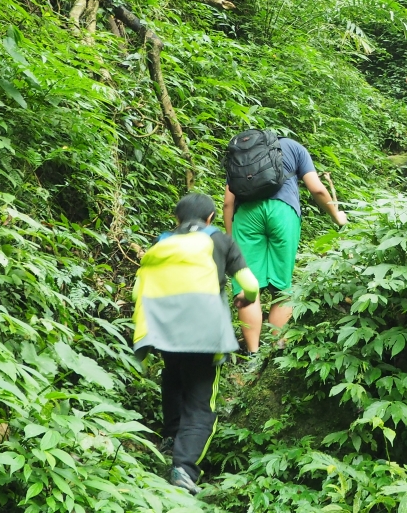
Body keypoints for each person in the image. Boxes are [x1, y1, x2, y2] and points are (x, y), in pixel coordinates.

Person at [132, 193, 260, 495]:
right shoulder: (219, 240)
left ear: (176, 219)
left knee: (173, 378)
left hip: (164, 329)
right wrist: (247, 298)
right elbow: (251, 285)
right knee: (201, 403)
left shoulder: (162, 242)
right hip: (203, 332)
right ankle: (184, 467)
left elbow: (139, 288)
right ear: (211, 218)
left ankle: (170, 437)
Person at [223, 134, 347, 355]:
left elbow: (227, 202)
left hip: (246, 216)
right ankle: (274, 352)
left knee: (248, 286)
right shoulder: (294, 147)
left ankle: (252, 354)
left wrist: (231, 238)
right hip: (283, 212)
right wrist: (337, 216)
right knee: (282, 287)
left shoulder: (241, 154)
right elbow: (316, 189)